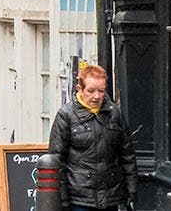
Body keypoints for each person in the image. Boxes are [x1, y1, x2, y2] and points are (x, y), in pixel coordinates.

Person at [49, 64, 137, 211]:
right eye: (91, 91)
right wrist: (63, 199)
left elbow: (127, 154)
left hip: (111, 196)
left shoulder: (114, 113)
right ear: (79, 89)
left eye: (101, 91)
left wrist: (131, 189)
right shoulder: (66, 115)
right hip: (79, 199)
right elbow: (57, 160)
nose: (96, 96)